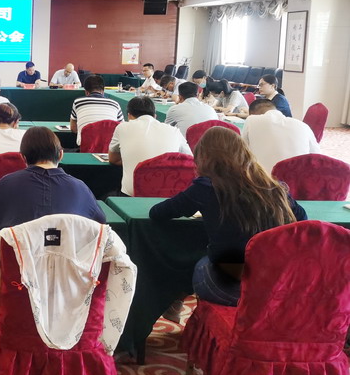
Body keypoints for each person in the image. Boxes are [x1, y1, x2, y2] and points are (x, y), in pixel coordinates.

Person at [150, 126, 307, 306]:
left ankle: (173, 302)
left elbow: (157, 213)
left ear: (203, 158)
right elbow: (302, 220)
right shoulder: (273, 187)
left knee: (197, 259)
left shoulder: (205, 187)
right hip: (277, 285)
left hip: (233, 287)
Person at [0, 126, 105, 233]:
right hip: (70, 259)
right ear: (61, 154)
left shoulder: (6, 184)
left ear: (23, 157)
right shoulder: (80, 187)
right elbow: (99, 222)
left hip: (18, 259)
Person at [108, 96, 191, 196]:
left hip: (132, 195)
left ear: (129, 116)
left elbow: (113, 159)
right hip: (168, 195)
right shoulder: (174, 131)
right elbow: (190, 160)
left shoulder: (122, 127)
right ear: (155, 116)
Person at [241, 98, 319, 173]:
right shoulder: (303, 125)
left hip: (265, 179)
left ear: (253, 114)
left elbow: (242, 154)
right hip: (299, 178)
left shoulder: (251, 120)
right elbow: (317, 156)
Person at [70, 74, 124, 145]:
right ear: (103, 91)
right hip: (110, 148)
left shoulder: (78, 102)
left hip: (86, 147)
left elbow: (73, 128)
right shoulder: (115, 104)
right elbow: (122, 129)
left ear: (86, 92)